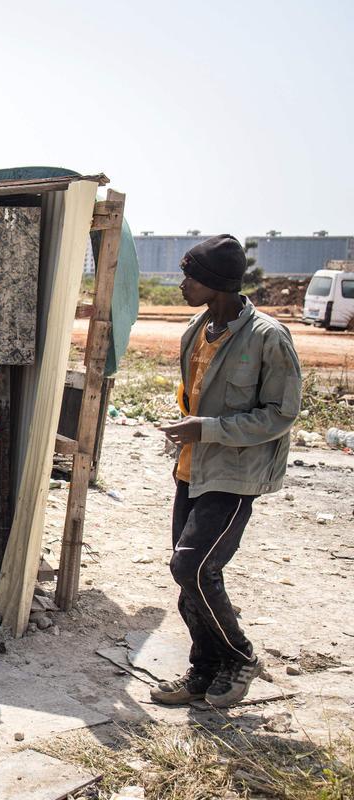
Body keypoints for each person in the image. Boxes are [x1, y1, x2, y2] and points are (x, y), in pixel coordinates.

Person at [153, 234, 301, 707]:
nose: (181, 284)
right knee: (186, 573)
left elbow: (281, 413)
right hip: (192, 469)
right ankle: (204, 670)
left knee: (193, 565)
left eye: (189, 276)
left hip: (236, 473)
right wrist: (190, 428)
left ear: (215, 283)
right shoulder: (195, 331)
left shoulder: (267, 337)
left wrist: (207, 428)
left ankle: (240, 657)